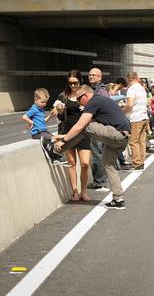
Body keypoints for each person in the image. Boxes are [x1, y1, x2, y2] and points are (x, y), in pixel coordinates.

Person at [53, 85, 131, 210]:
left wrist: (63, 140)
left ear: (85, 95)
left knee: (86, 127)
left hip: (116, 134)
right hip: (123, 137)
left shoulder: (94, 101)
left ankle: (57, 150)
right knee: (108, 165)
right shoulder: (101, 100)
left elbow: (80, 125)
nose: (79, 104)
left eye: (79, 100)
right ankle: (118, 200)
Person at [56, 70, 92, 202]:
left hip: (83, 133)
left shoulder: (85, 95)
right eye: (70, 83)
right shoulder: (63, 96)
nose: (72, 86)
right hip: (67, 132)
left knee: (85, 164)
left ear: (80, 81)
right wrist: (59, 111)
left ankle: (84, 192)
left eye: (75, 83)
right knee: (71, 163)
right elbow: (60, 117)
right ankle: (75, 192)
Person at [86, 68, 109, 191]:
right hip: (97, 126)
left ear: (100, 77)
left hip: (97, 126)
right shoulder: (95, 90)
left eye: (94, 75)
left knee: (97, 154)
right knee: (98, 153)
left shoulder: (101, 92)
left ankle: (100, 181)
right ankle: (99, 180)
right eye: (89, 75)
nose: (91, 77)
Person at [122, 72, 149, 171]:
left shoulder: (131, 89)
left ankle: (136, 163)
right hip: (144, 116)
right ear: (136, 78)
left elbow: (130, 104)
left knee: (133, 141)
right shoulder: (141, 88)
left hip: (136, 118)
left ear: (128, 79)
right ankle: (141, 162)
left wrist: (122, 112)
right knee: (142, 141)